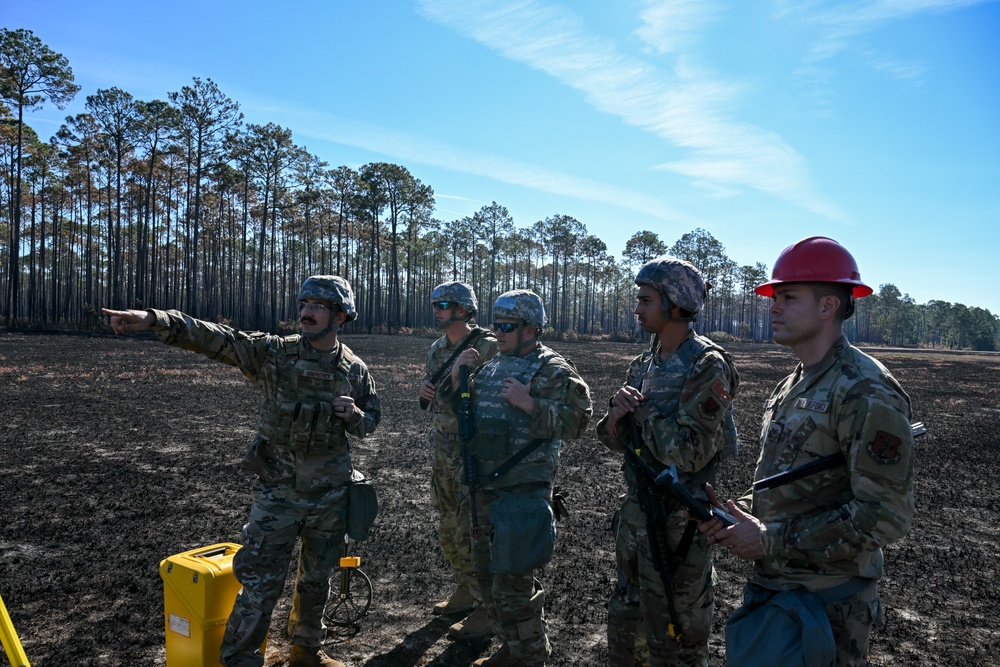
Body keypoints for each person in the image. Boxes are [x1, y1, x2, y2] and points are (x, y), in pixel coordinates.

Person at [102, 275, 380, 667]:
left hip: (331, 495)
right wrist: (153, 318)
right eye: (304, 304)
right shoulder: (273, 353)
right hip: (278, 496)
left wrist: (355, 416)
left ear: (341, 315)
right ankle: (239, 660)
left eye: (318, 305)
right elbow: (215, 337)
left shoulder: (354, 369)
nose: (306, 312)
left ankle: (306, 652)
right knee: (260, 586)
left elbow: (372, 421)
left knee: (318, 580)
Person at [699, 236, 916, 667]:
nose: (773, 307)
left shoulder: (864, 391)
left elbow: (885, 516)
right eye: (774, 297)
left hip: (827, 605)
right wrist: (735, 513)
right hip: (779, 592)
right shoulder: (795, 381)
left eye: (788, 297)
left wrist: (768, 540)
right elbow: (796, 478)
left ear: (828, 306)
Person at [595, 257, 740, 667]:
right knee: (626, 626)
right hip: (637, 518)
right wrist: (615, 415)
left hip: (680, 530)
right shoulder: (643, 364)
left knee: (677, 641)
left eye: (645, 300)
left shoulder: (706, 364)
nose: (637, 309)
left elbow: (690, 453)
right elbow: (613, 441)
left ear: (675, 304)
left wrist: (641, 414)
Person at [446, 289, 592, 667]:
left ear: (531, 329)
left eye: (507, 326)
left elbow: (579, 421)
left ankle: (528, 655)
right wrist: (457, 376)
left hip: (521, 492)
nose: (499, 333)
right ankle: (511, 646)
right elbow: (462, 412)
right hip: (484, 488)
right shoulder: (493, 365)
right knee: (486, 576)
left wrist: (531, 403)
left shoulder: (552, 369)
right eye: (496, 325)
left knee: (513, 585)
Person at [418, 281, 498, 624]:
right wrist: (426, 390)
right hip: (443, 449)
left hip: (474, 450)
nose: (437, 308)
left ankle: (487, 607)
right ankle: (465, 589)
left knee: (476, 529)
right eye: (435, 303)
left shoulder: (489, 347)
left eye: (444, 303)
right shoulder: (437, 348)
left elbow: (493, 400)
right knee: (448, 526)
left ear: (464, 309)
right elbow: (434, 397)